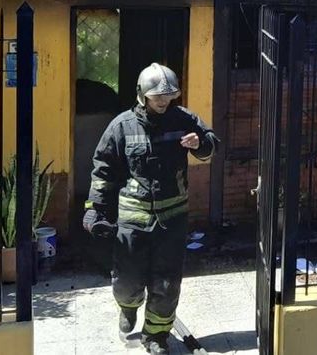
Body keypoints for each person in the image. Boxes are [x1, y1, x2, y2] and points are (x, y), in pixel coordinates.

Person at [83, 63, 219, 354]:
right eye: (157, 96)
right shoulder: (121, 126)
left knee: (167, 283)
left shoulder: (184, 119)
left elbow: (210, 146)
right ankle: (128, 308)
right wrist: (96, 209)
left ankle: (156, 337)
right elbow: (103, 170)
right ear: (141, 94)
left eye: (168, 96)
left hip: (172, 221)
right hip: (133, 222)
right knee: (127, 282)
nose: (163, 101)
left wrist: (200, 143)